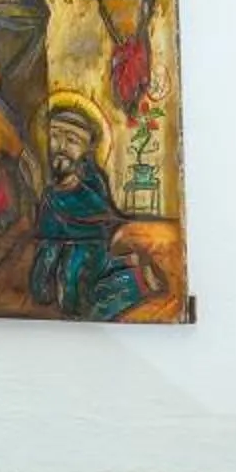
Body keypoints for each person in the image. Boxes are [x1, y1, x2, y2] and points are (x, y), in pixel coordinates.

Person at [28, 102, 144, 321]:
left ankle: (134, 278)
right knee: (39, 289)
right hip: (53, 244)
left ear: (87, 149)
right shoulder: (50, 188)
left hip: (88, 247)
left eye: (72, 140)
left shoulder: (92, 182)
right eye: (54, 135)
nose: (60, 145)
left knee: (74, 301)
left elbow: (97, 214)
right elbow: (46, 227)